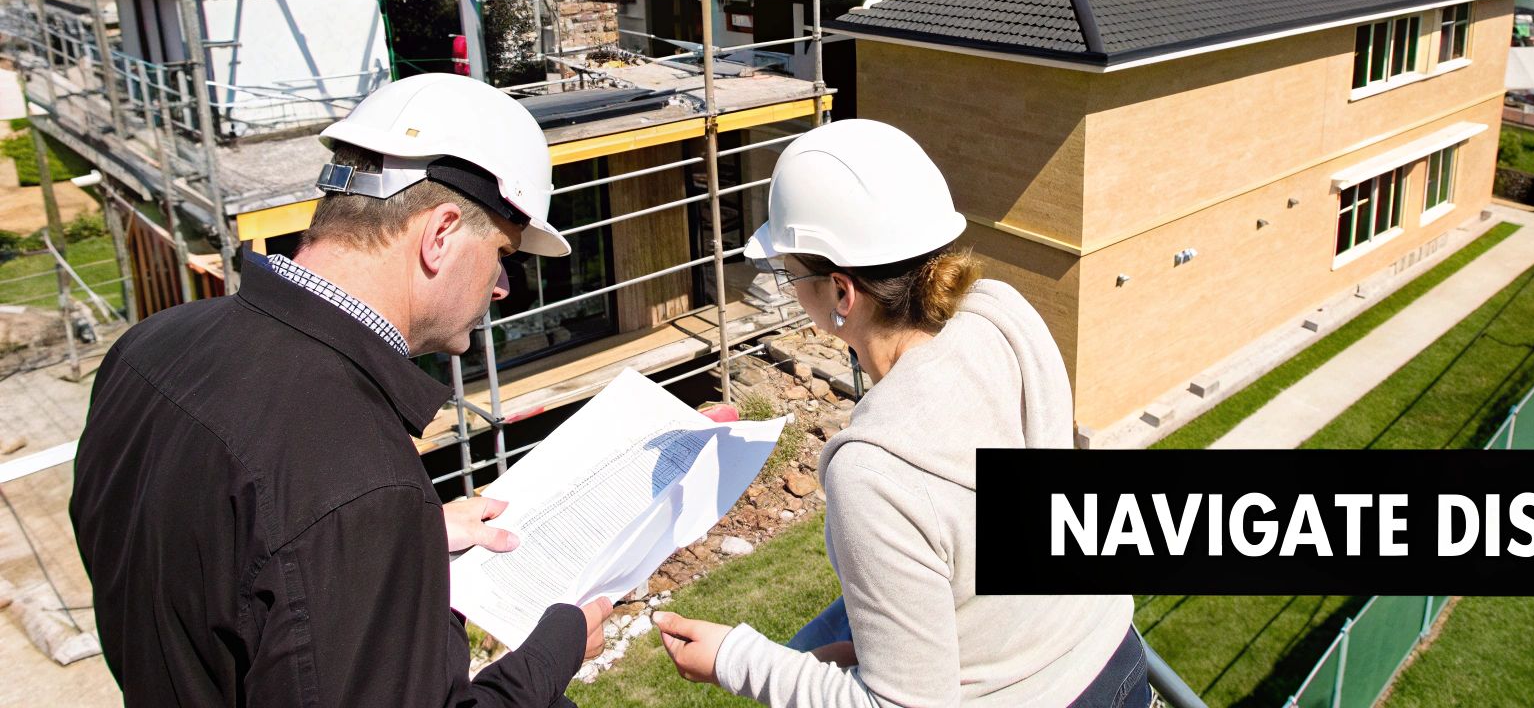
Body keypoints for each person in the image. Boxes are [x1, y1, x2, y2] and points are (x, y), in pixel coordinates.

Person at [71, 73, 611, 707]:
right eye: (504, 254)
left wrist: (392, 548)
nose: (500, 289)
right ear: (439, 235)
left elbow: (221, 566)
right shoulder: (357, 484)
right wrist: (544, 666)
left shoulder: (151, 346)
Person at [653, 119, 1146, 707]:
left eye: (790, 273)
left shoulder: (872, 473)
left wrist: (735, 658)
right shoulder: (1002, 314)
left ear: (842, 293)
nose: (788, 286)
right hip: (1112, 650)